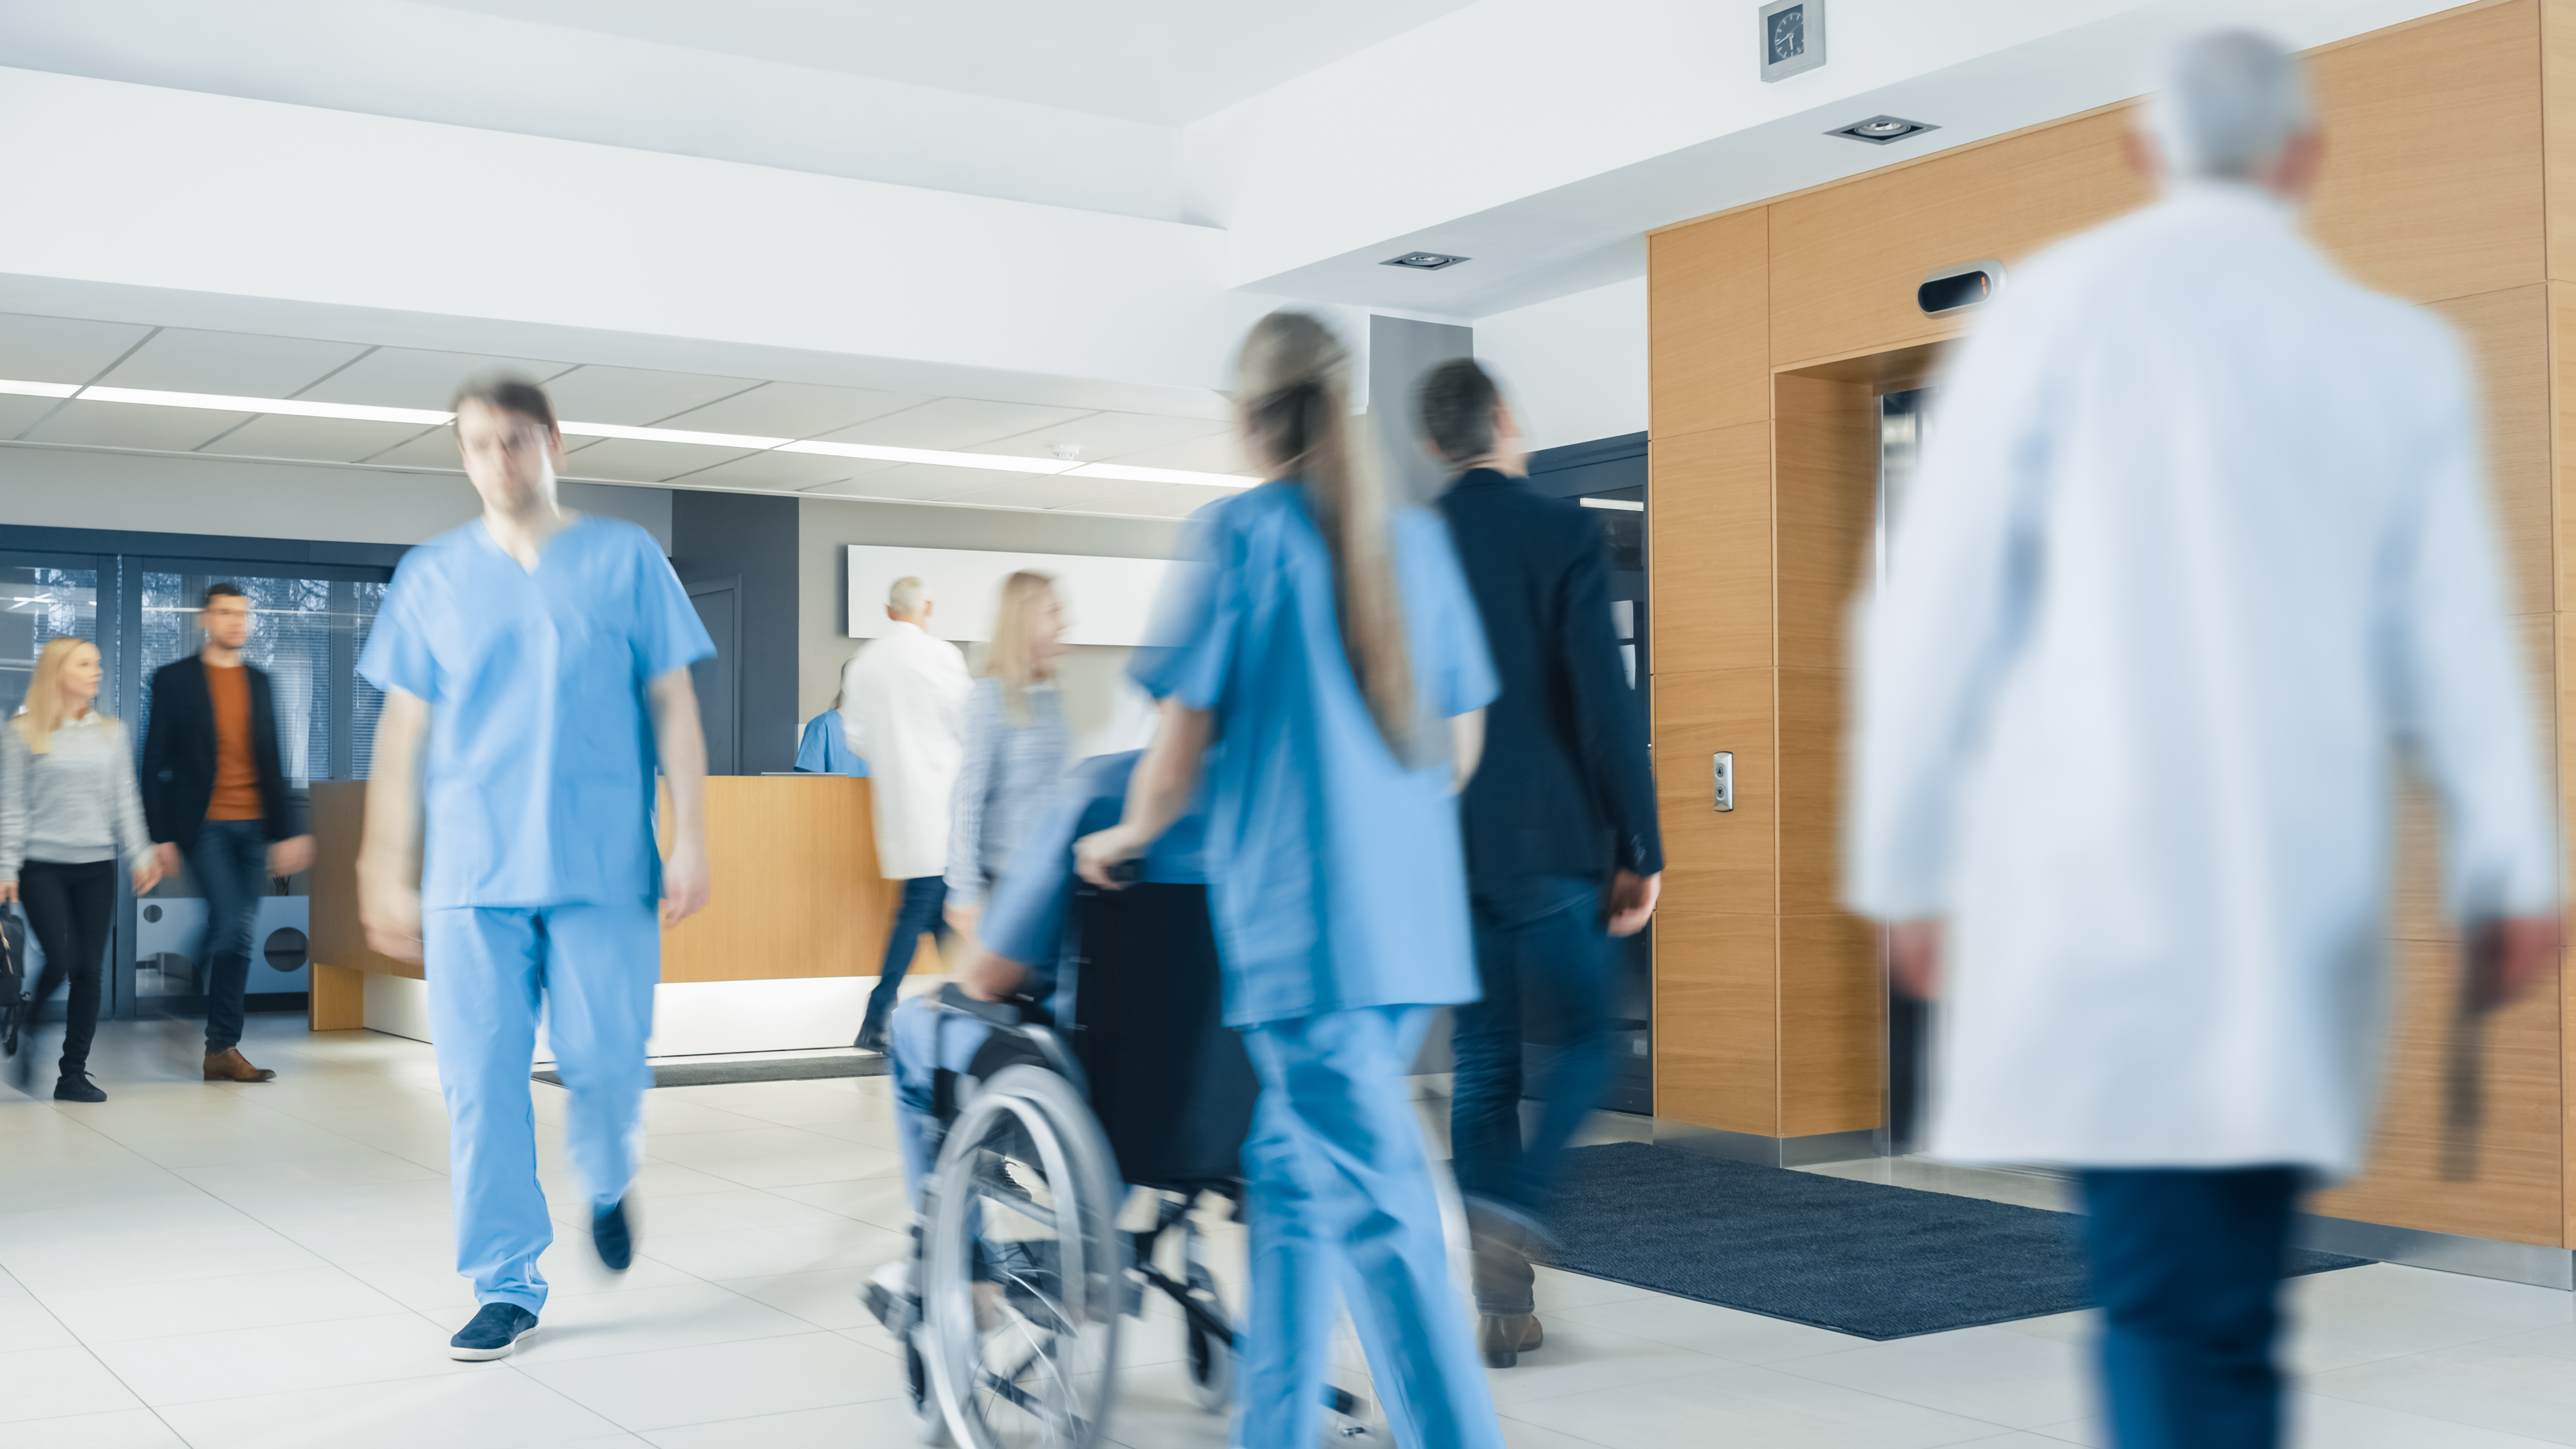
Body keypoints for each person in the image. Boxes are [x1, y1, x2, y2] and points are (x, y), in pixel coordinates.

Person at [1846, 32, 2560, 1449]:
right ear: (2303, 157)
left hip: (2103, 896)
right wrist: (2508, 865)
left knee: (2170, 1299)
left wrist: (1908, 862)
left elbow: (1931, 615)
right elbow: (2456, 644)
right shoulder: (2391, 355)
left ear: (2142, 149)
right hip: (2299, 905)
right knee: (2219, 1294)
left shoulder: (2047, 318)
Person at [1075, 310, 1505, 1449]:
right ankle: (1276, 1427)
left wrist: (1120, 841)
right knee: (1290, 1173)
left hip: (1309, 939)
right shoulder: (1412, 538)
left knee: (1386, 1220)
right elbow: (1460, 746)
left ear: (1254, 418)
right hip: (1412, 932)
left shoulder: (1240, 536)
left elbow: (1171, 763)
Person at [355, 374, 714, 1363]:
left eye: (514, 440)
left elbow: (674, 701)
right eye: (478, 445)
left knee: (604, 1064)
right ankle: (505, 1280)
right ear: (462, 454)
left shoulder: (626, 558)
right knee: (480, 1083)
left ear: (553, 440)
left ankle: (606, 1170)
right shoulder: (431, 574)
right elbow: (403, 733)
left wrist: (693, 833)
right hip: (473, 871)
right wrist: (382, 864)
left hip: (601, 862)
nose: (498, 462)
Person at [1416, 358, 1664, 1367]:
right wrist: (1639, 844)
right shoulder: (1561, 531)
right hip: (1554, 847)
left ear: (1433, 442)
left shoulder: (1411, 544)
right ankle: (1513, 1210)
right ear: (1505, 422)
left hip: (1445, 848)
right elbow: (1601, 706)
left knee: (1482, 1062)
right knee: (1588, 1045)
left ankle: (1503, 1307)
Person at [140, 582, 316, 1084]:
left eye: (244, 613)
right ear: (205, 620)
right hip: (203, 826)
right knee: (235, 922)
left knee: (236, 932)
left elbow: (272, 761)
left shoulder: (259, 682)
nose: (237, 621)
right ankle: (190, 1005)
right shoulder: (173, 679)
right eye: (226, 612)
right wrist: (161, 836)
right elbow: (154, 761)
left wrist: (287, 832)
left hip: (254, 825)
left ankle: (221, 1048)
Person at [0, 638, 163, 1102]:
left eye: (98, 664)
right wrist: (6, 867)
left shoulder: (111, 732)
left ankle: (72, 1073)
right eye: (85, 663)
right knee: (61, 957)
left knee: (89, 969)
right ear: (57, 672)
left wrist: (142, 853)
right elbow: (11, 806)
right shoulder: (21, 731)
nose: (97, 671)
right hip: (41, 865)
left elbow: (125, 799)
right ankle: (27, 1027)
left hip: (96, 863)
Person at [843, 575, 971, 1052]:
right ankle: (879, 1012)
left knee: (936, 906)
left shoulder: (865, 663)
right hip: (946, 798)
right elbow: (969, 720)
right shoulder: (942, 656)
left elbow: (854, 737)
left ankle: (967, 1003)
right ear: (926, 608)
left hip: (900, 805)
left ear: (888, 610)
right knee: (926, 904)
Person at [942, 570, 1072, 940]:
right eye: (1054, 611)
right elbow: (967, 797)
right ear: (1025, 618)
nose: (1065, 622)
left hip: (1047, 874)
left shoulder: (1050, 697)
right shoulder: (990, 696)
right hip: (1002, 879)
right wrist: (964, 890)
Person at [793, 677, 870, 777]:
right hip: (836, 792)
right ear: (845, 686)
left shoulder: (883, 732)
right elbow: (812, 785)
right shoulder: (823, 725)